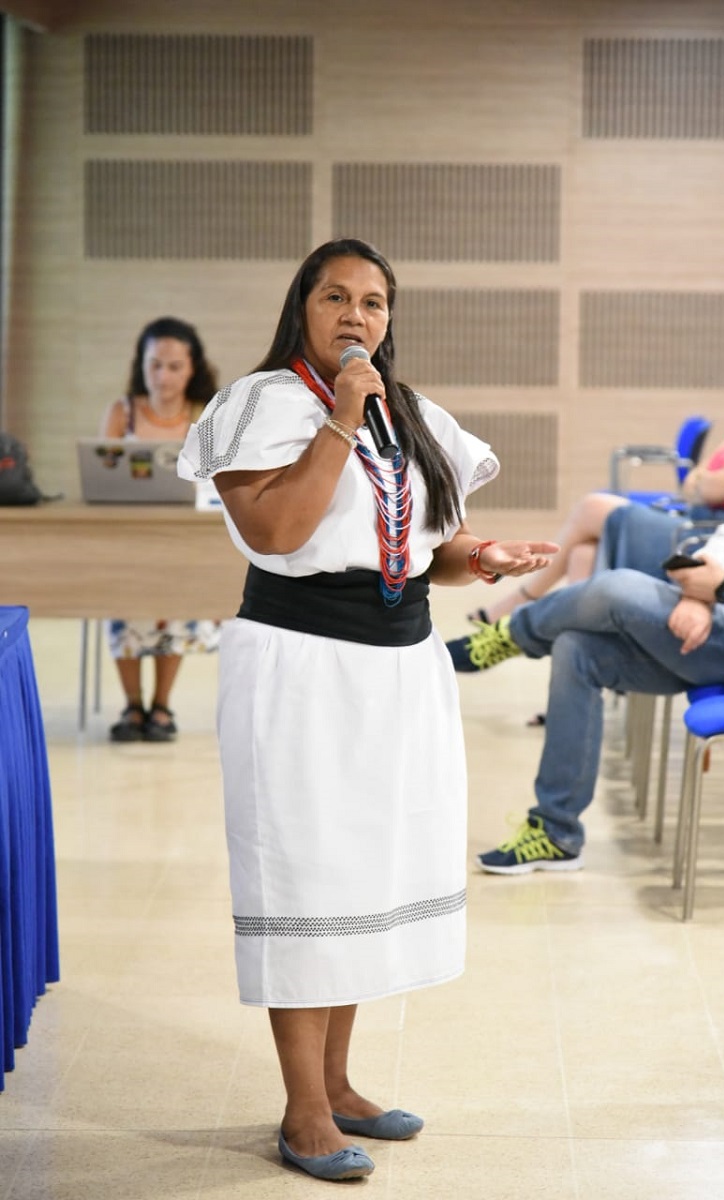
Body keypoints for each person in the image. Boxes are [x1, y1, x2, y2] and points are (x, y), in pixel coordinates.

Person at [175, 238, 557, 1182]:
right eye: (336, 297)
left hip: (401, 671)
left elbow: (426, 550)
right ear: (301, 306)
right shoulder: (257, 403)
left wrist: (484, 557)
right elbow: (278, 529)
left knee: (364, 876)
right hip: (300, 668)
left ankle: (340, 1085)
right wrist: (342, 418)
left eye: (375, 301)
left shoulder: (409, 412)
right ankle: (303, 1109)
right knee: (305, 877)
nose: (357, 315)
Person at [447, 443, 724, 875]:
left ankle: (512, 634)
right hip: (722, 615)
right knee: (576, 648)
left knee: (615, 589)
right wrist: (703, 594)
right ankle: (556, 833)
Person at [468, 335, 724, 628]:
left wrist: (704, 483)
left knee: (591, 507)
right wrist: (703, 483)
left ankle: (523, 602)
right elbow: (694, 482)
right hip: (695, 519)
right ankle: (559, 631)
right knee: (583, 554)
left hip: (710, 539)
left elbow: (711, 488)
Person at [100, 316, 221, 743]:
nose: (163, 376)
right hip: (127, 538)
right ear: (142, 364)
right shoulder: (123, 411)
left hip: (182, 538)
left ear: (192, 368)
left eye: (173, 366)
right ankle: (132, 705)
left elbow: (217, 479)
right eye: (154, 364)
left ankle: (162, 704)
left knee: (175, 605)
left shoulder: (204, 415)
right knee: (122, 605)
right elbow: (103, 471)